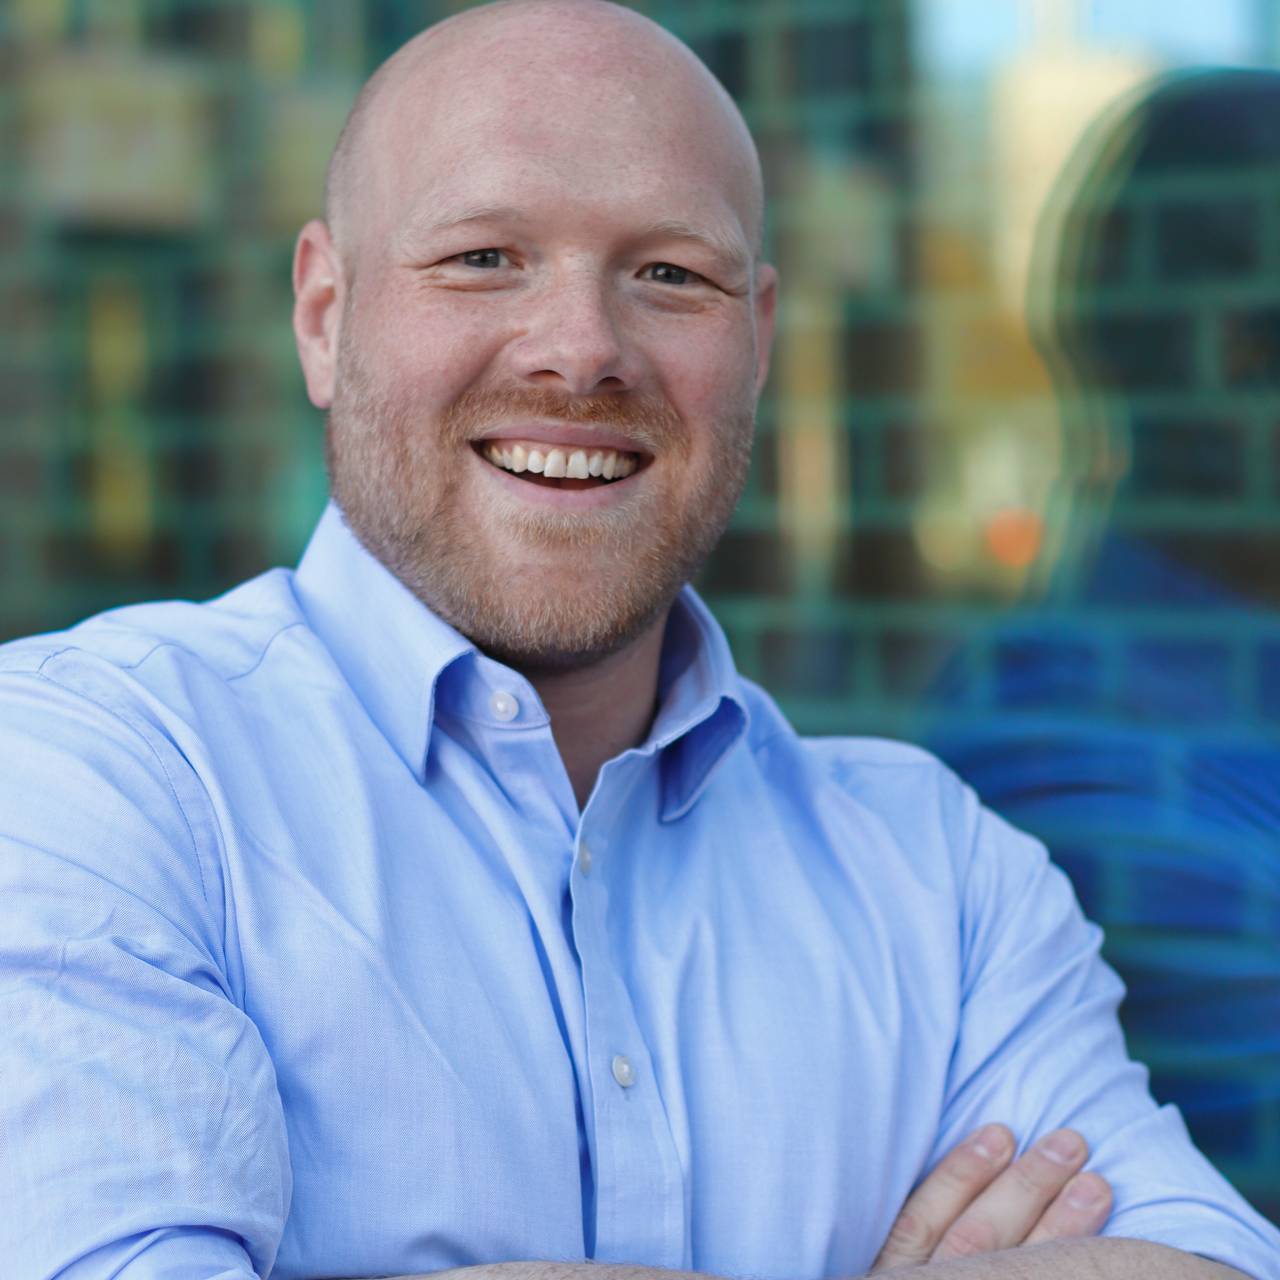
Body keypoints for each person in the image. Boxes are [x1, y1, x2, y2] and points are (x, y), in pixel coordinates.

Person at [1, 4, 1276, 1278]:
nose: (582, 351)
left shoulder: (943, 879)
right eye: (483, 256)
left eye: (669, 274)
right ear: (324, 316)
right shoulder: (92, 778)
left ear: (757, 339)